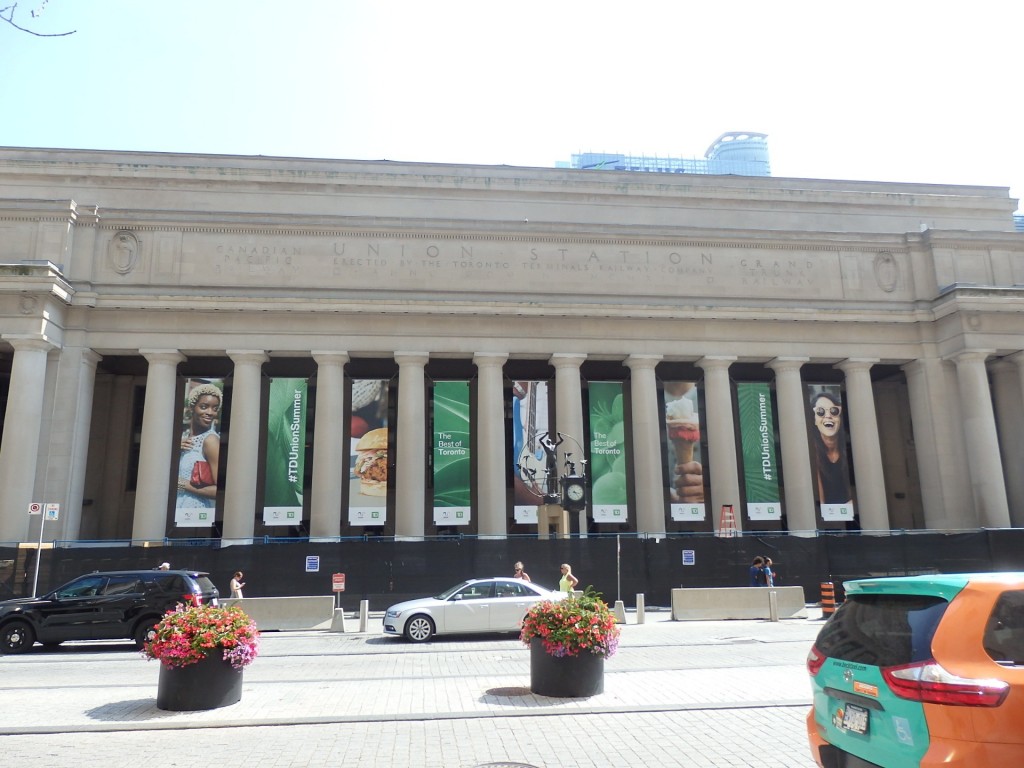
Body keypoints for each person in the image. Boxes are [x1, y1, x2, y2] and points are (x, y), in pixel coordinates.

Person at [176, 382, 223, 511]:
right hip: (175, 509)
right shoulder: (183, 438)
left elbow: (220, 490)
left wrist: (183, 484)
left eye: (215, 408)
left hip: (195, 512)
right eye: (204, 407)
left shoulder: (211, 441)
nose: (210, 412)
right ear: (192, 407)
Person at [809, 390, 853, 506]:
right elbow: (821, 502)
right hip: (827, 512)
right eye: (820, 412)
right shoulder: (812, 452)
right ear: (815, 420)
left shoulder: (848, 449)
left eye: (834, 411)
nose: (828, 416)